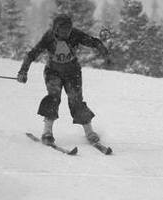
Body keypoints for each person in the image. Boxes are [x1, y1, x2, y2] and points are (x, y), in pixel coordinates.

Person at [17, 13, 110, 145]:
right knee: (53, 98)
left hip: (73, 73)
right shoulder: (48, 37)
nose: (66, 33)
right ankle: (47, 131)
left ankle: (89, 132)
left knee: (76, 101)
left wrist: (101, 47)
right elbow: (32, 54)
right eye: (63, 30)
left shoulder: (75, 34)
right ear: (56, 29)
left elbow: (91, 41)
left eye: (68, 29)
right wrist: (23, 71)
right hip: (53, 72)